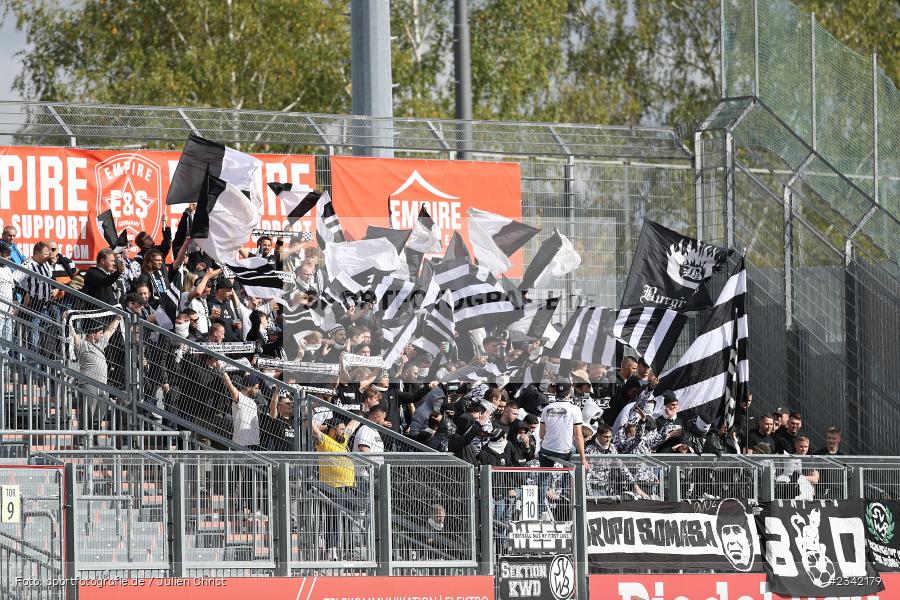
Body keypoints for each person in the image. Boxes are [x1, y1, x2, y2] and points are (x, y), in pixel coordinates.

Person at [68, 315, 122, 428]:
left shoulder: (100, 344)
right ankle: (82, 442)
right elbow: (74, 336)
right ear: (93, 333)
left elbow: (109, 331)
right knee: (87, 417)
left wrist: (118, 317)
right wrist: (69, 321)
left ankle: (95, 442)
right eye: (100, 333)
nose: (102, 335)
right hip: (88, 385)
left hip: (103, 386)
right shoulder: (83, 345)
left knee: (98, 419)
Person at [222, 372, 265, 449]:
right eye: (256, 388)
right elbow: (231, 388)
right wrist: (223, 372)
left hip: (253, 442)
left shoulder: (252, 400)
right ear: (248, 387)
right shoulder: (240, 398)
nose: (258, 391)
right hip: (241, 443)